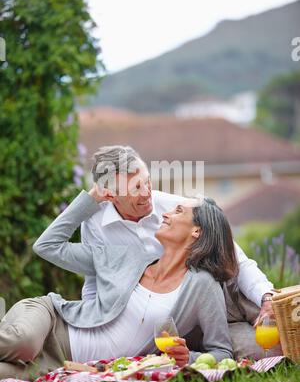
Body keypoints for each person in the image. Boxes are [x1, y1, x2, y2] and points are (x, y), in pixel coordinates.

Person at [0, 189, 235, 380]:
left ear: (197, 231)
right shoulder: (128, 257)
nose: (166, 214)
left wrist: (189, 359)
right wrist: (91, 198)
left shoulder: (203, 285)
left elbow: (222, 352)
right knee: (25, 343)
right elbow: (47, 246)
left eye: (179, 210)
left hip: (63, 363)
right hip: (51, 322)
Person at [81, 145, 276, 358]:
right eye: (136, 188)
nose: (147, 193)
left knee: (278, 324)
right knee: (260, 351)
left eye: (147, 181)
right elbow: (94, 281)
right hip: (183, 316)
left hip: (226, 294)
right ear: (110, 195)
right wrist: (94, 329)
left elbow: (237, 260)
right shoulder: (95, 224)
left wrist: (266, 297)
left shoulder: (175, 207)